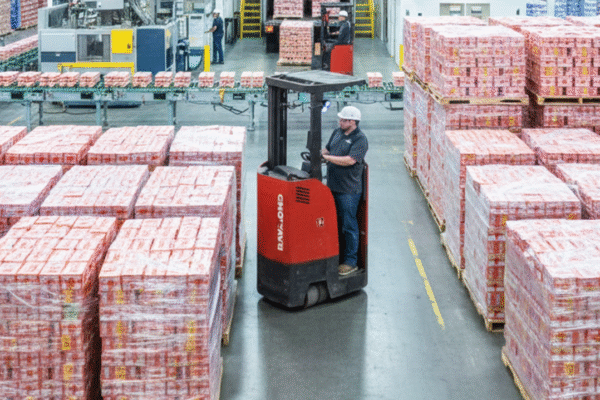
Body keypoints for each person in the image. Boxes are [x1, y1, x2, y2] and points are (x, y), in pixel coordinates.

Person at [321, 106, 368, 276]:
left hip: (348, 190)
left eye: (344, 120)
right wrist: (316, 155)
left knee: (349, 225)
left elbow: (350, 161)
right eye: (340, 119)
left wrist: (326, 158)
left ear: (353, 122)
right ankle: (335, 255)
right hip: (332, 187)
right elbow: (327, 149)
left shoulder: (360, 140)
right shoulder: (337, 132)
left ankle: (350, 262)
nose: (340, 122)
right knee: (334, 223)